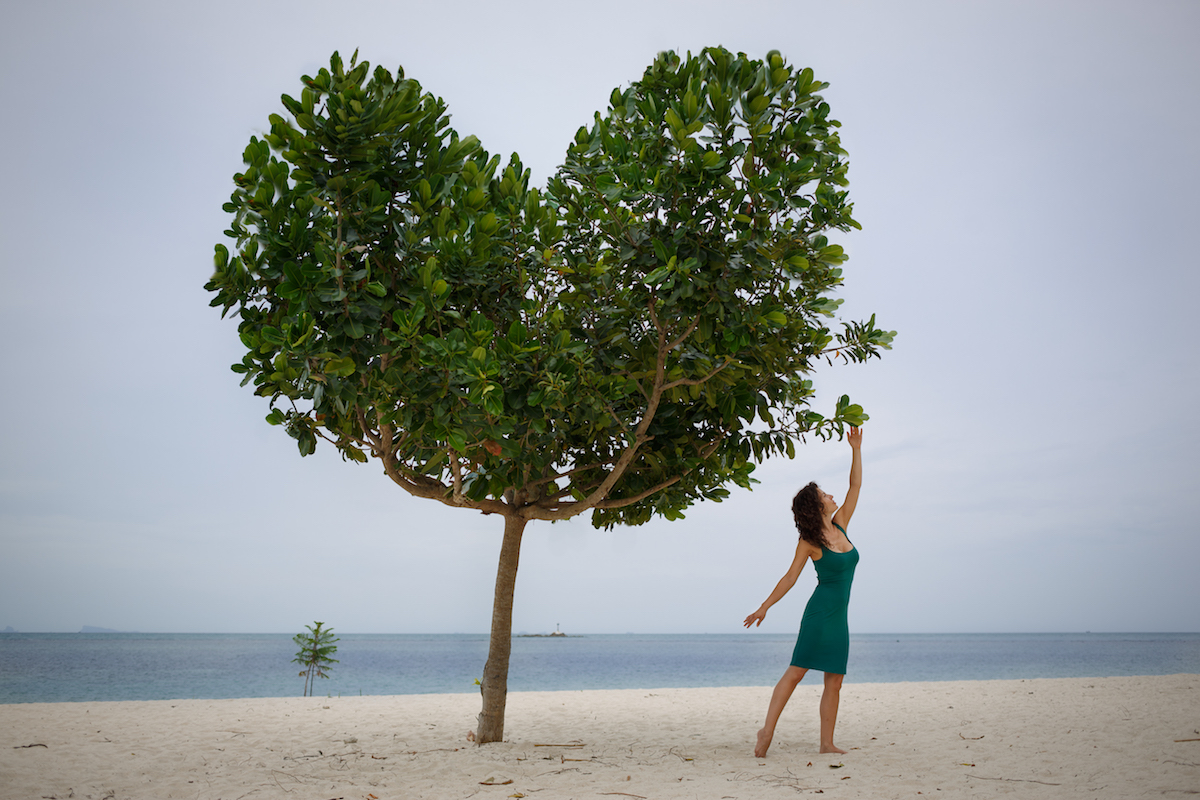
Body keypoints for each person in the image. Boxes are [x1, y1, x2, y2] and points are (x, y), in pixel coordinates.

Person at [744, 426, 863, 757]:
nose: (831, 496)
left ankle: (827, 744)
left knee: (834, 681)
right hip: (819, 615)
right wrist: (764, 606)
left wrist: (855, 449)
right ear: (816, 506)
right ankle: (766, 731)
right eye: (825, 495)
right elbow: (790, 577)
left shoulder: (841, 524)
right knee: (796, 672)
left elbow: (856, 485)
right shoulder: (809, 542)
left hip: (839, 618)